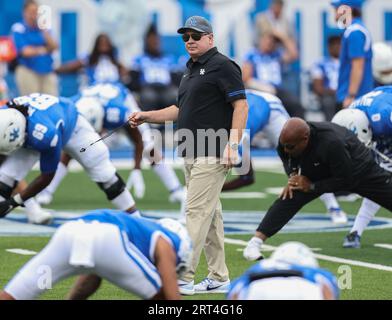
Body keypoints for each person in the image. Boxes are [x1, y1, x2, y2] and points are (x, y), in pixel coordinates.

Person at [129, 16, 249, 294]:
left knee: (195, 213)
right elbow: (180, 110)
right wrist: (147, 116)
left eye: (196, 35)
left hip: (214, 149)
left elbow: (241, 106)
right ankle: (219, 276)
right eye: (186, 37)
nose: (190, 41)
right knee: (210, 217)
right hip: (191, 150)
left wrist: (233, 145)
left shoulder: (223, 65)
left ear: (210, 38)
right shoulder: (190, 70)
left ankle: (183, 275)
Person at [242, 117, 392, 261]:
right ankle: (254, 243)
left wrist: (312, 186)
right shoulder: (287, 142)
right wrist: (293, 176)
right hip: (319, 166)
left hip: (358, 170)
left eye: (290, 147)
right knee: (290, 196)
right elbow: (287, 158)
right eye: (284, 145)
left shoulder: (331, 142)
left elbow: (345, 181)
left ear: (305, 139)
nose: (286, 150)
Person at [36, 82, 185, 205]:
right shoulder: (73, 107)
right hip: (95, 99)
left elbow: (137, 139)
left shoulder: (117, 112)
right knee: (70, 150)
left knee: (148, 147)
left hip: (122, 99)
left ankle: (176, 189)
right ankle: (47, 191)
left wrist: (137, 169)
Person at [0, 94, 140, 219]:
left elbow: (46, 177)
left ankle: (136, 218)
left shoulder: (45, 135)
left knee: (106, 175)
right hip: (32, 128)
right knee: (5, 177)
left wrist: (15, 202)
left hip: (73, 127)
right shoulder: (5, 115)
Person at [0, 209, 193, 300]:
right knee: (163, 300)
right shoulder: (169, 241)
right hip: (108, 238)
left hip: (69, 232)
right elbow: (171, 297)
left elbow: (93, 271)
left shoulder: (144, 230)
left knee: (13, 295)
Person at [222, 89, 348, 224]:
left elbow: (247, 178)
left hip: (270, 108)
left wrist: (216, 189)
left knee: (304, 161)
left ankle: (333, 207)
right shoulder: (209, 132)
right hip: (248, 107)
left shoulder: (237, 139)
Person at [332, 86, 392, 248]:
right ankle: (355, 232)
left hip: (385, 114)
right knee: (378, 179)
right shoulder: (349, 117)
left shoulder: (384, 117)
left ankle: (355, 232)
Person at [228, 242, 339, 300]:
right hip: (303, 291)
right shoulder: (315, 272)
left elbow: (235, 291)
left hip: (259, 290)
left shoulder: (260, 266)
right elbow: (327, 290)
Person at [242, 30, 305, 118]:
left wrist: (283, 37)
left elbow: (294, 55)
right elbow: (246, 78)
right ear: (261, 39)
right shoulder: (252, 54)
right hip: (259, 89)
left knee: (296, 106)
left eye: (273, 41)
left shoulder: (276, 54)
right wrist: (263, 87)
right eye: (268, 39)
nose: (270, 42)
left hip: (277, 90)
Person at [129, 24, 183, 111]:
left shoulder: (168, 59)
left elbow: (177, 79)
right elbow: (133, 80)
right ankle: (151, 123)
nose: (154, 42)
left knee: (173, 96)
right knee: (149, 97)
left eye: (156, 39)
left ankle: (168, 124)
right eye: (151, 40)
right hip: (147, 88)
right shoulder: (139, 59)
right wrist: (139, 88)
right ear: (146, 41)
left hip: (166, 88)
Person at [331, 0, 373, 109]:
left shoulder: (354, 32)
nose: (335, 14)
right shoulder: (356, 30)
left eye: (337, 9)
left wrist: (351, 95)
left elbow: (357, 66)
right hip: (356, 98)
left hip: (353, 99)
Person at [11, 0, 58, 95]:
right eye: (31, 12)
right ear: (24, 13)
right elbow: (25, 51)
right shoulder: (19, 28)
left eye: (36, 12)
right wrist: (44, 49)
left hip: (47, 70)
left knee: (52, 102)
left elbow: (54, 46)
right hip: (28, 70)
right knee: (32, 103)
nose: (34, 15)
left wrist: (44, 30)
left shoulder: (45, 29)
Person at [55, 33, 128, 85]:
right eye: (101, 45)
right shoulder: (89, 59)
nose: (104, 47)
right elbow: (73, 65)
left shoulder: (115, 60)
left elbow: (125, 72)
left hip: (114, 91)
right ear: (96, 46)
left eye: (106, 45)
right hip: (95, 90)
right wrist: (56, 69)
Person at [310, 35, 341, 121]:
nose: (336, 46)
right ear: (328, 47)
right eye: (333, 44)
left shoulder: (349, 63)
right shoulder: (320, 63)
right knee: (328, 102)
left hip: (345, 94)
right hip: (329, 95)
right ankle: (331, 129)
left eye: (339, 44)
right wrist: (334, 92)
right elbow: (318, 87)